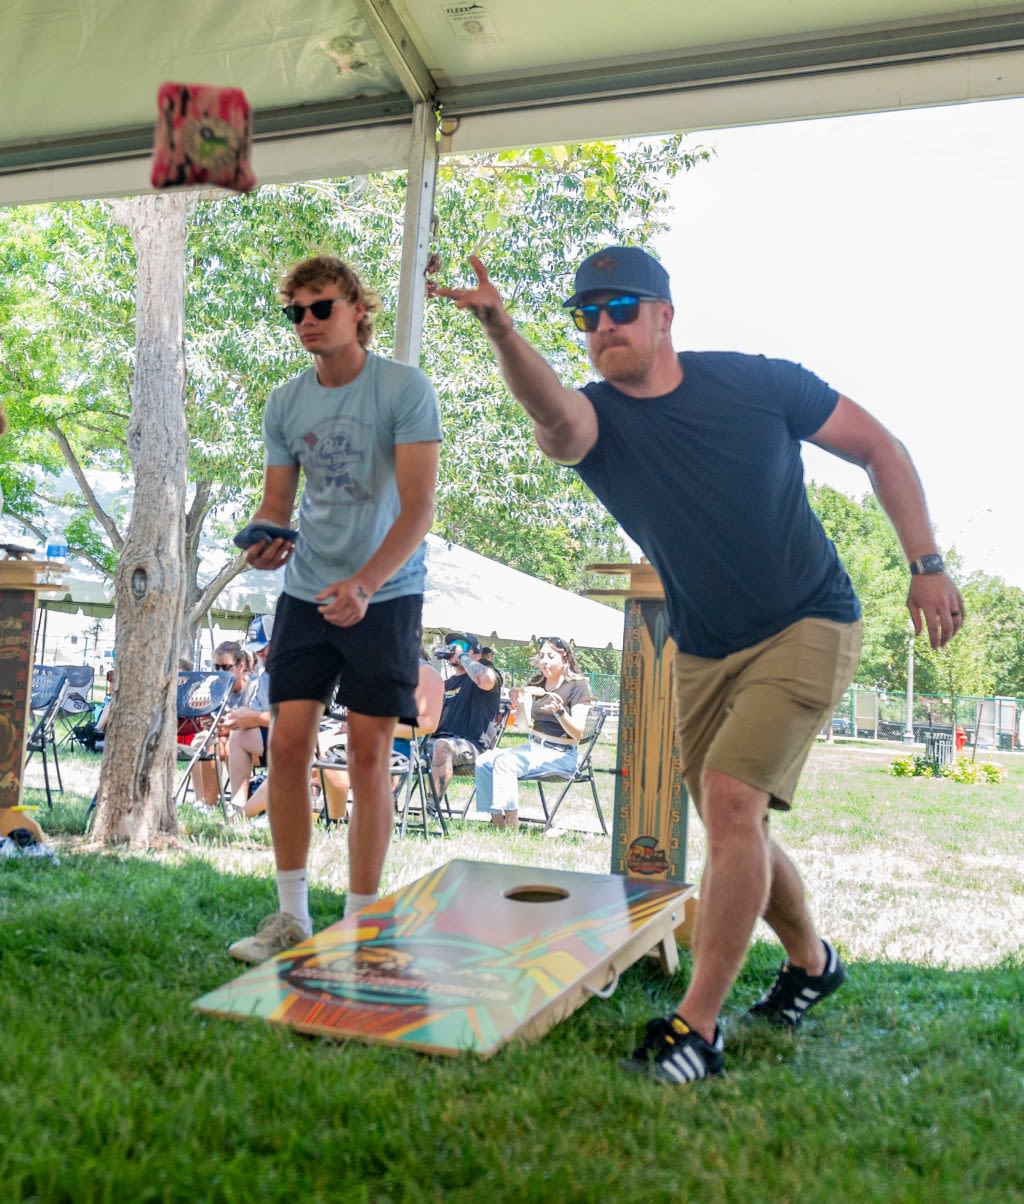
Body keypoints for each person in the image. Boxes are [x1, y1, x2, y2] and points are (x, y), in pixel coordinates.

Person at [432, 245, 964, 1083]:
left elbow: (881, 448)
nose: (603, 326)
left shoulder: (759, 384)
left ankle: (698, 1029)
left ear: (665, 315)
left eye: (621, 308)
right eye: (587, 316)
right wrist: (502, 331)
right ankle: (813, 963)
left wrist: (925, 563)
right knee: (732, 822)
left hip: (809, 619)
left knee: (729, 800)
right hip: (703, 645)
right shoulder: (597, 420)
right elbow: (556, 419)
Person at [229, 253, 440, 965]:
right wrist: (264, 542)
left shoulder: (404, 390)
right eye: (296, 312)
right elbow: (277, 506)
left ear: (357, 307)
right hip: (308, 590)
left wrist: (367, 585)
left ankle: (359, 927)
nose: (308, 322)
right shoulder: (285, 403)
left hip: (387, 590)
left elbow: (418, 509)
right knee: (287, 745)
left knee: (370, 753)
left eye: (322, 307)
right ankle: (290, 919)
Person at [474, 636, 591, 831]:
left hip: (562, 754)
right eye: (542, 656)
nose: (544, 661)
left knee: (505, 762)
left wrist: (560, 712)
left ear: (565, 658)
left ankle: (511, 827)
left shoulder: (578, 686)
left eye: (550, 656)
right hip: (533, 748)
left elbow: (577, 733)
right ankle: (497, 822)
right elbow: (523, 725)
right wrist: (520, 703)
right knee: (484, 760)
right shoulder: (537, 683)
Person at [428, 632, 502, 800]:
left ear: (476, 655)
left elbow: (485, 679)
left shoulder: (485, 675)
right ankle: (390, 807)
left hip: (472, 745)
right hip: (437, 741)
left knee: (442, 746)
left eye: (463, 646)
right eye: (452, 644)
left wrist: (460, 656)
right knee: (395, 744)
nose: (454, 648)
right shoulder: (444, 684)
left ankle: (431, 810)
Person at [188, 640, 260, 809]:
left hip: (246, 739)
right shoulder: (215, 686)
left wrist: (225, 727)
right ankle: (204, 803)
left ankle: (227, 803)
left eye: (226, 667)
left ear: (240, 665)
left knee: (222, 744)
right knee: (202, 740)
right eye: (216, 667)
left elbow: (252, 721)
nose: (220, 672)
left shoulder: (253, 687)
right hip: (222, 738)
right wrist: (207, 721)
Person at [222, 614, 273, 818]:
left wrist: (252, 718)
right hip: (275, 735)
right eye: (256, 647)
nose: (260, 652)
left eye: (264, 646)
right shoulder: (263, 669)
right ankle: (237, 804)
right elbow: (256, 710)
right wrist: (235, 721)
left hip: (304, 740)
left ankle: (244, 815)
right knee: (238, 736)